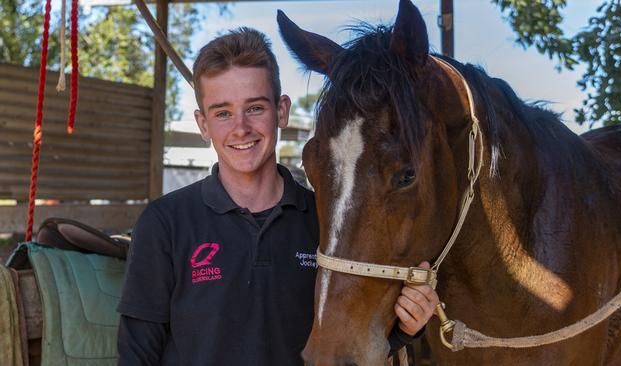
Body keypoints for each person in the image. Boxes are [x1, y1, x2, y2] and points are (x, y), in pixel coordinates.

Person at [117, 27, 439, 365]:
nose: (240, 128)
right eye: (222, 113)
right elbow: (138, 353)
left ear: (281, 110)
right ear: (203, 124)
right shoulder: (166, 223)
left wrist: (406, 327)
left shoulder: (325, 223)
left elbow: (347, 334)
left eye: (255, 108)